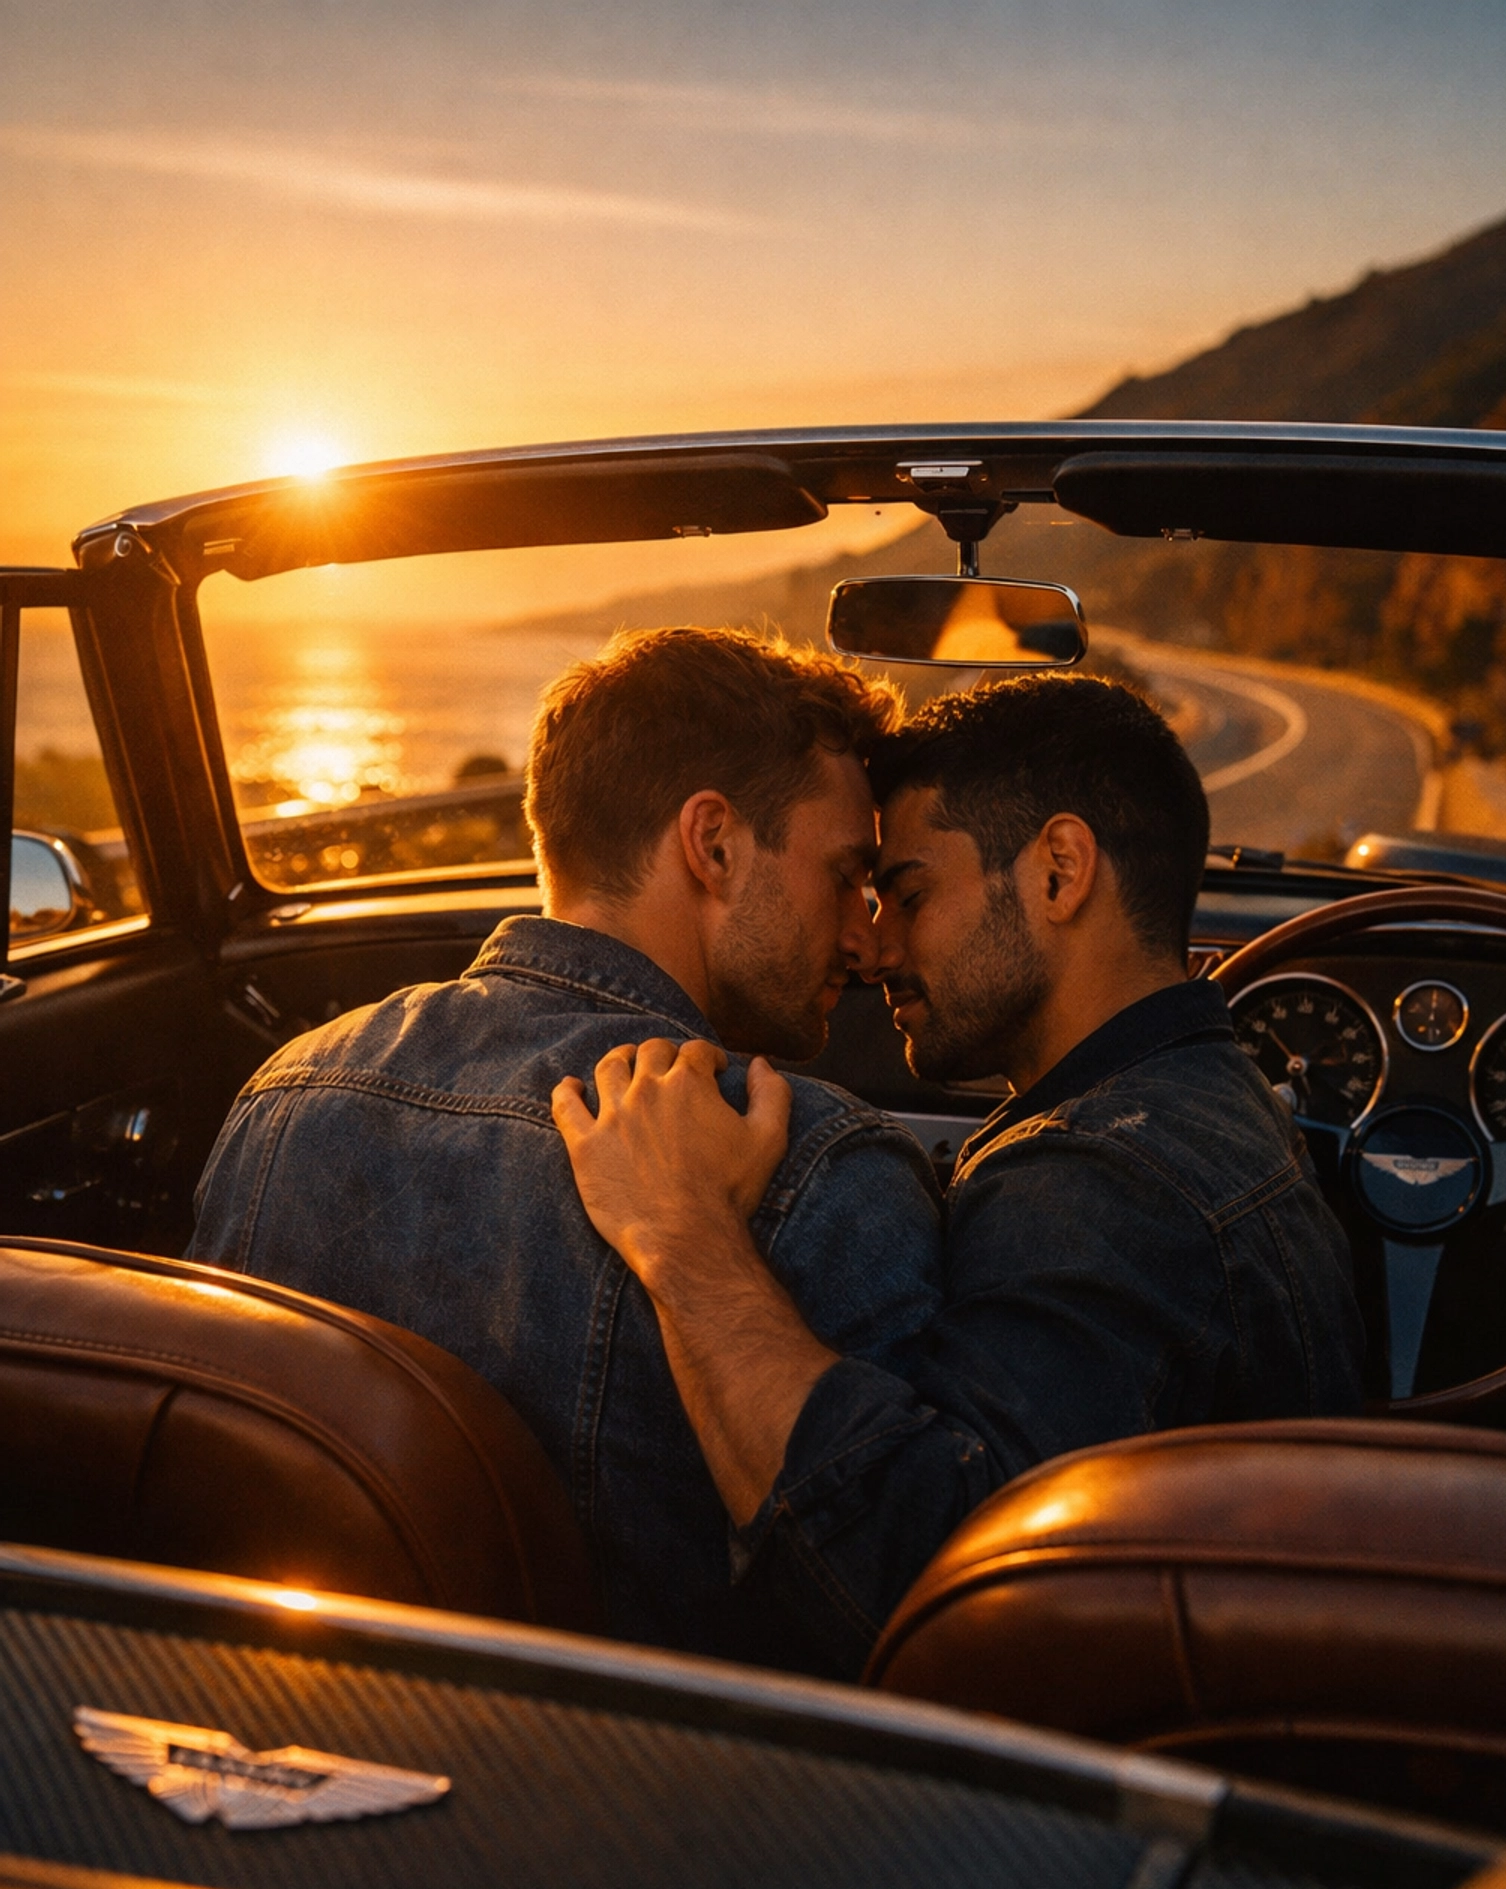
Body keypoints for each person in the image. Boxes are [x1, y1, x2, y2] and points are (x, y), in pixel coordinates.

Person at [555, 675, 1366, 1678]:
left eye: (908, 894)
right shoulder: (1203, 1108)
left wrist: (682, 1236)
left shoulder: (1103, 1183)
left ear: (1060, 872)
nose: (872, 945)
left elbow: (919, 1593)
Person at [188, 628, 943, 1662]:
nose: (863, 938)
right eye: (845, 873)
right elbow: (902, 1628)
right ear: (713, 844)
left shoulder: (283, 1094)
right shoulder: (812, 1163)